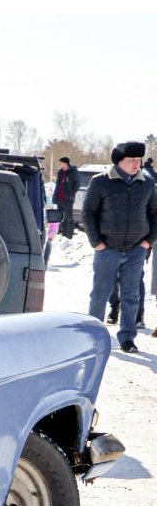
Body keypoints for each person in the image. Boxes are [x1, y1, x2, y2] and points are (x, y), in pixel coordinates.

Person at [84, 140, 157, 353]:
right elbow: (88, 213)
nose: (136, 164)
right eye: (131, 160)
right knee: (100, 293)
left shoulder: (147, 183)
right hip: (107, 248)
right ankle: (94, 337)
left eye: (138, 160)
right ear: (118, 162)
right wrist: (96, 243)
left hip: (136, 249)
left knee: (131, 295)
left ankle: (127, 338)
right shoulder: (100, 182)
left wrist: (148, 241)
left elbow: (155, 213)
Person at [54, 156, 79, 239]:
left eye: (61, 162)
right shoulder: (60, 172)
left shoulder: (73, 172)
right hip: (59, 198)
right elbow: (58, 185)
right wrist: (55, 196)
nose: (60, 164)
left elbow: (77, 184)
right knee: (61, 217)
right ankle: (64, 234)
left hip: (68, 199)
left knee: (68, 217)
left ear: (65, 163)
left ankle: (69, 235)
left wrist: (70, 194)